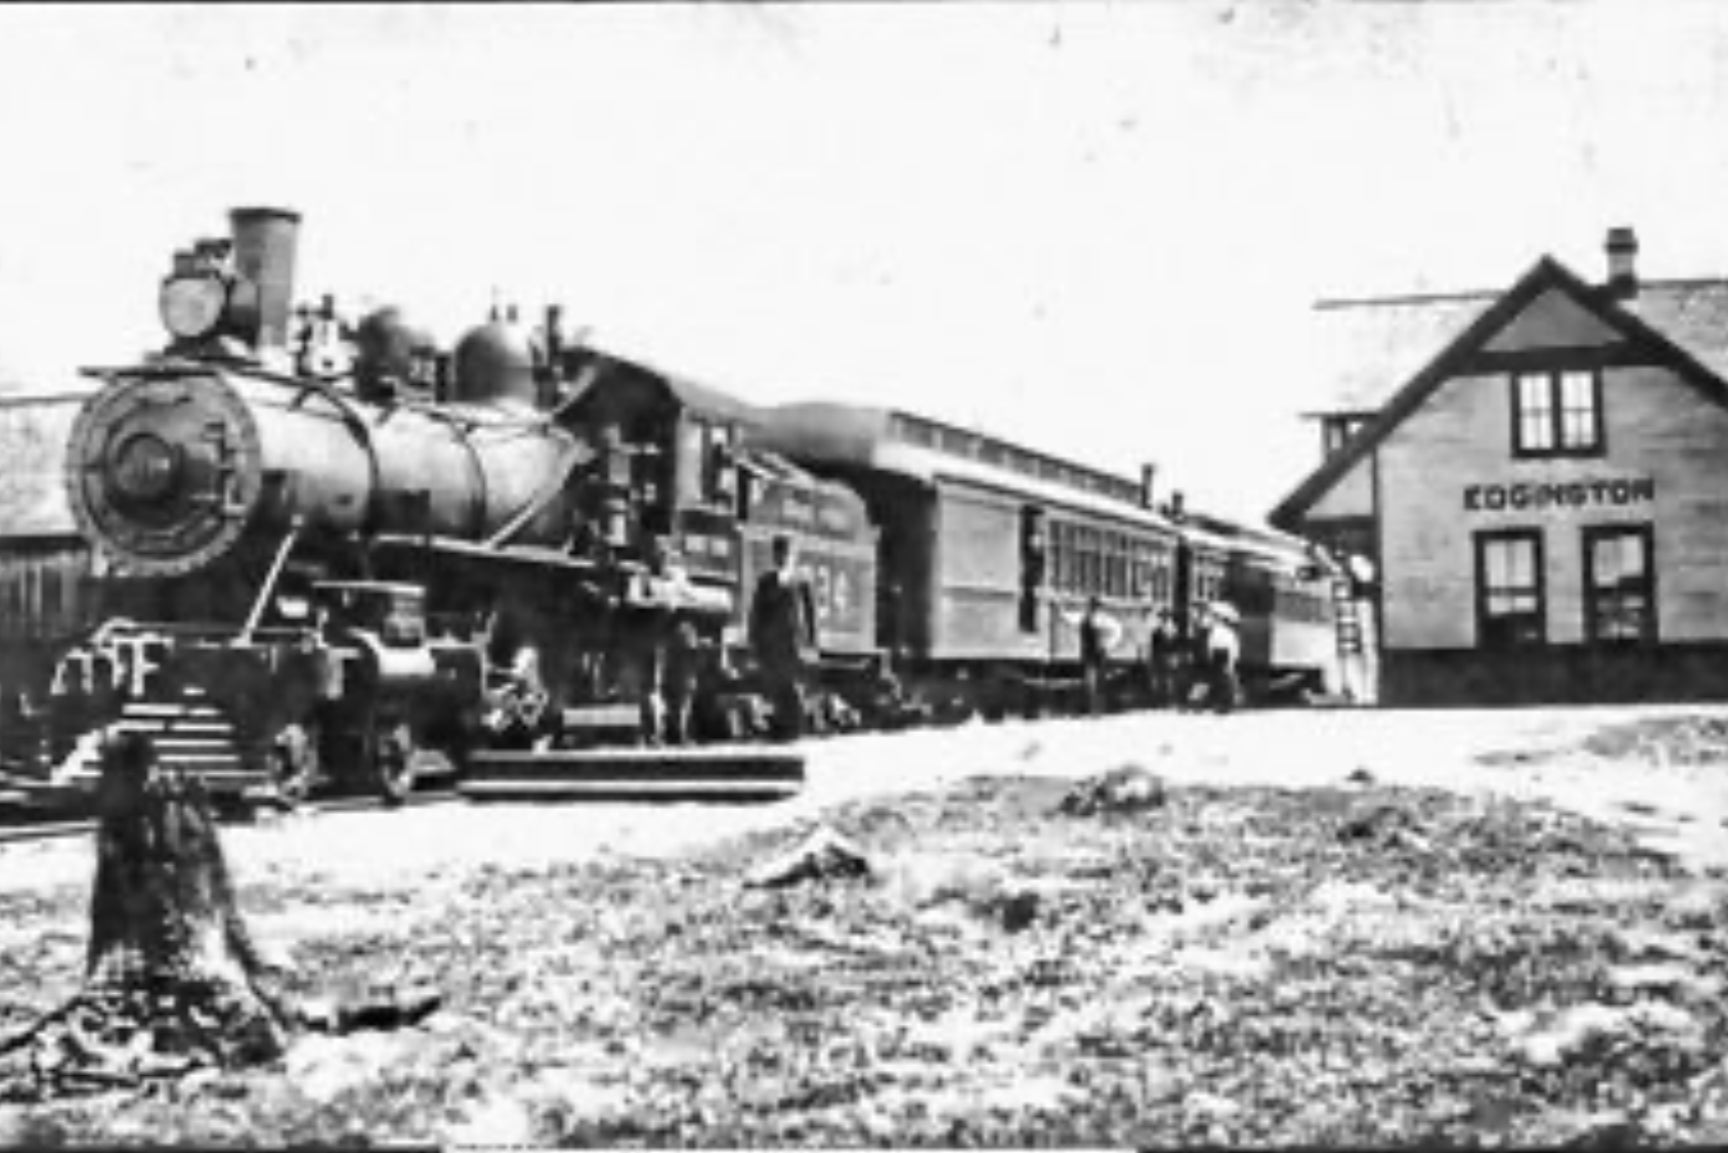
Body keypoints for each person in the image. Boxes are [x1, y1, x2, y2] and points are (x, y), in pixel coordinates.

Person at [748, 535, 818, 740]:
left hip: (793, 641)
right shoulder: (766, 580)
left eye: (785, 553)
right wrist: (754, 639)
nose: (781, 557)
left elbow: (810, 612)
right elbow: (757, 612)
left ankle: (795, 726)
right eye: (778, 553)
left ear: (793, 555)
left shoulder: (801, 579)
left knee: (792, 684)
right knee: (776, 686)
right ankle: (781, 725)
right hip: (770, 643)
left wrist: (813, 643)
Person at [1061, 595, 1122, 716]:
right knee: (1090, 681)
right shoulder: (1085, 617)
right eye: (1091, 606)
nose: (1092, 608)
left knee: (1097, 681)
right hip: (1088, 653)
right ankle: (1092, 708)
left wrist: (1107, 645)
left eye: (1093, 606)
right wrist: (1062, 612)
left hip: (1098, 653)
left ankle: (1097, 708)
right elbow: (1071, 619)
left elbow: (1117, 631)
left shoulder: (1104, 620)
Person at [1204, 602, 1242, 714]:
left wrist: (1232, 661)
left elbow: (1232, 647)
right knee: (1218, 681)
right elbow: (1210, 645)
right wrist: (1210, 655)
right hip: (1217, 656)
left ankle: (1225, 704)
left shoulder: (1228, 633)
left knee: (1225, 681)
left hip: (1223, 655)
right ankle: (1219, 704)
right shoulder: (1215, 631)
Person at [1147, 607, 1180, 707]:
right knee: (1159, 678)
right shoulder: (1159, 627)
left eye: (1164, 616)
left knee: (1167, 678)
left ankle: (1167, 700)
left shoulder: (1170, 628)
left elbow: (1171, 643)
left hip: (1166, 654)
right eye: (1161, 616)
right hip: (1158, 654)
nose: (1162, 618)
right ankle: (1161, 700)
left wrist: (1173, 656)